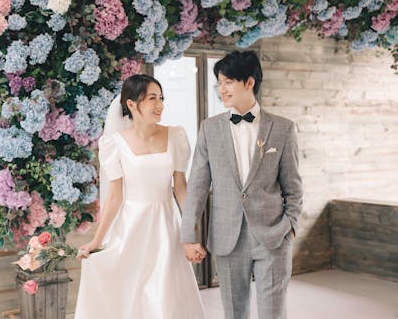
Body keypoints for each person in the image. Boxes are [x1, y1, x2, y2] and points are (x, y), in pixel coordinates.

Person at [181, 50, 303, 319]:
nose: (221, 90)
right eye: (219, 83)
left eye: (228, 82)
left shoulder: (283, 128)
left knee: (273, 313)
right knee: (234, 314)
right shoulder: (209, 129)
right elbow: (197, 187)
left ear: (249, 82)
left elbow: (294, 188)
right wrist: (189, 234)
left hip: (273, 237)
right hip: (227, 238)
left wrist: (289, 228)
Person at [74, 74, 205, 319]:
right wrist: (96, 240)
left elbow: (181, 189)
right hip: (131, 228)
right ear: (132, 104)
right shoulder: (114, 143)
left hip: (167, 226)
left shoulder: (175, 135)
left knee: (166, 296)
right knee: (132, 297)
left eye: (161, 98)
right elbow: (114, 197)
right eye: (152, 99)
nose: (160, 105)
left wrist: (191, 235)